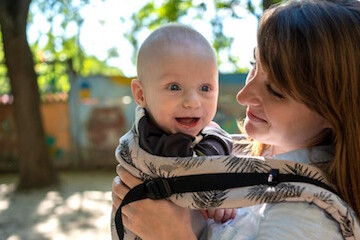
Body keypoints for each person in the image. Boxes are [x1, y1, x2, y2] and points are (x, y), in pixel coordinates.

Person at [112, 0, 360, 239]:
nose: (243, 96)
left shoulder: (309, 221)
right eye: (254, 65)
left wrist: (172, 235)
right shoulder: (238, 157)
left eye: (275, 90)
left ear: (335, 112)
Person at [113, 23, 237, 239]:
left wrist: (226, 194)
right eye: (174, 87)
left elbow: (220, 149)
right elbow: (188, 170)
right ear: (141, 94)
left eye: (205, 88)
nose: (192, 102)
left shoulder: (211, 136)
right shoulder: (148, 144)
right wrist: (216, 189)